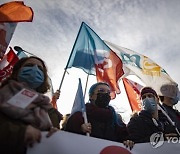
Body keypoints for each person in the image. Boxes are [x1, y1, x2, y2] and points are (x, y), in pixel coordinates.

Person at [0, 56, 62, 153]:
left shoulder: (49, 109)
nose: (35, 70)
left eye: (40, 69)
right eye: (29, 65)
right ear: (17, 72)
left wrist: (56, 135)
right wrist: (20, 133)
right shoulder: (2, 94)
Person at [65, 82, 134, 149]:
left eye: (108, 92)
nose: (105, 94)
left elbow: (124, 137)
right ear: (91, 96)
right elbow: (66, 135)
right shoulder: (80, 115)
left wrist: (128, 141)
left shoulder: (116, 118)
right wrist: (79, 128)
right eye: (101, 91)